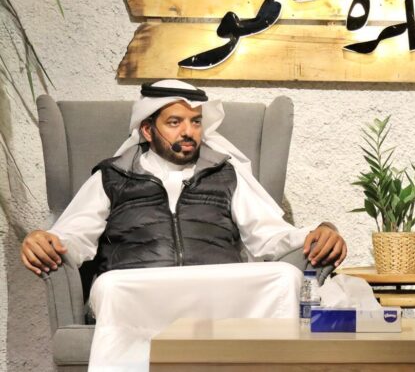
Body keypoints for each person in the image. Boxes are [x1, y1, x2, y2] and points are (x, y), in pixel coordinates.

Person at [19, 80, 348, 370]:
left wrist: (320, 231)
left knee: (284, 277)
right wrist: (43, 239)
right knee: (110, 286)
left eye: (195, 121)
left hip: (217, 288)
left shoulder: (226, 173)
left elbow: (270, 233)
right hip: (141, 289)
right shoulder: (113, 176)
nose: (188, 132)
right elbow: (74, 233)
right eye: (175, 122)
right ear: (147, 130)